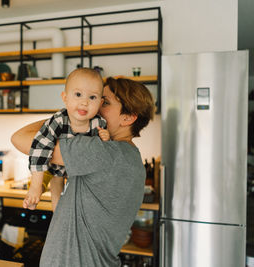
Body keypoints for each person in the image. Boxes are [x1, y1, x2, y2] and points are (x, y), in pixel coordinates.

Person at [11, 77, 155, 266]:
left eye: (103, 102)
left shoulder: (104, 151)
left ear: (127, 118)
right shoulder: (128, 156)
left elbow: (19, 138)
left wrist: (71, 114)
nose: (94, 106)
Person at [25, 68, 110, 210]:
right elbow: (40, 147)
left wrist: (105, 138)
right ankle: (38, 197)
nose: (84, 102)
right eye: (78, 94)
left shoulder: (99, 123)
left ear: (100, 103)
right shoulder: (58, 120)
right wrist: (35, 185)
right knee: (54, 189)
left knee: (77, 201)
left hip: (79, 173)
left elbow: (102, 153)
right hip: (53, 169)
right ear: (65, 98)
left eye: (92, 97)